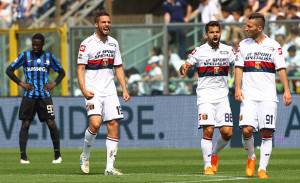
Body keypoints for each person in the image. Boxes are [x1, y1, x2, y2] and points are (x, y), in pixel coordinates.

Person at [234, 12, 292, 179]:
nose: (245, 28)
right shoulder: (243, 45)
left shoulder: (274, 45)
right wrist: (237, 88)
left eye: (249, 26)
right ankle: (251, 157)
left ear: (259, 27)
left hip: (268, 96)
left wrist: (287, 90)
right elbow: (238, 67)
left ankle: (262, 168)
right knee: (246, 130)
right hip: (249, 95)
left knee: (267, 133)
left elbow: (281, 68)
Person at [77, 10, 130, 175]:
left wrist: (124, 88)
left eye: (108, 22)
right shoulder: (87, 44)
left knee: (114, 124)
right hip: (93, 91)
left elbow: (118, 67)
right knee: (95, 124)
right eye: (103, 22)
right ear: (96, 24)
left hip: (110, 91)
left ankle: (109, 168)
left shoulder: (114, 43)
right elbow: (80, 69)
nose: (107, 25)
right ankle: (85, 155)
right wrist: (83, 89)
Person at [179, 21, 236, 175]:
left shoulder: (228, 50)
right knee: (208, 130)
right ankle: (207, 165)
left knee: (227, 133)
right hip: (205, 97)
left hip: (223, 97)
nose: (215, 34)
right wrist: (184, 67)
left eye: (217, 32)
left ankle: (214, 153)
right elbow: (187, 63)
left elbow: (239, 66)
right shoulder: (199, 51)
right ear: (206, 34)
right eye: (211, 32)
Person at [6, 33, 65, 164]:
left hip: (45, 96)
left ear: (43, 44)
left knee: (51, 123)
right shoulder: (25, 56)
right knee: (25, 123)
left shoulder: (49, 57)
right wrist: (21, 83)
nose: (35, 47)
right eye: (33, 44)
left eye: (38, 45)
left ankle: (57, 155)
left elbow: (62, 72)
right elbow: (9, 70)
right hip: (29, 96)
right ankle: (23, 156)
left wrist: (53, 84)